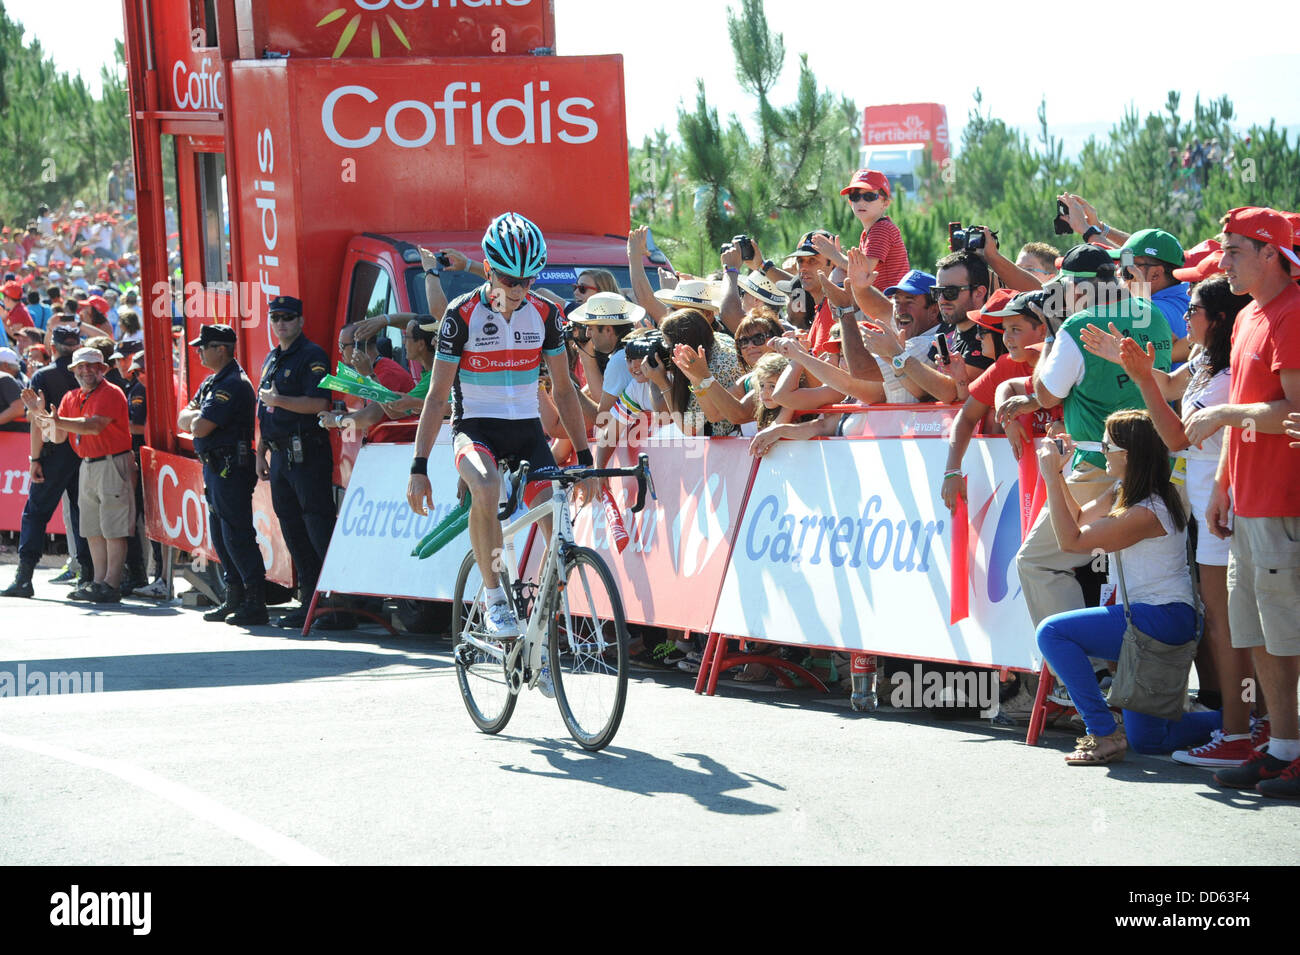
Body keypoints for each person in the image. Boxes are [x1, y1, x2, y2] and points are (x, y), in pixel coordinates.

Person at [1079, 275, 1261, 765]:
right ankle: (1245, 723)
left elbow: (1176, 436)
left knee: (1229, 627)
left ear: (1219, 318)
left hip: (1226, 510)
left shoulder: (1229, 375)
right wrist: (1128, 363)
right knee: (1224, 626)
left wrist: (1141, 378)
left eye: (1193, 309)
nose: (1184, 316)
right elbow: (1170, 387)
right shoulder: (1202, 361)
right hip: (1206, 509)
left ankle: (1244, 728)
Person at [406, 212, 594, 648]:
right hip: (475, 429)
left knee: (560, 532)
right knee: (487, 487)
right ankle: (494, 597)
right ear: (488, 269)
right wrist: (419, 466)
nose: (518, 290)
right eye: (510, 279)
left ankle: (543, 636)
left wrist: (584, 457)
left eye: (527, 280)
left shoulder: (545, 313)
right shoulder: (461, 314)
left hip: (527, 431)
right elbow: (436, 397)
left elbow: (565, 392)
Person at [1179, 207, 1300, 796]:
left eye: (1232, 251)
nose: (1221, 261)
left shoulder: (1293, 312)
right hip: (1247, 502)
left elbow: (1294, 414)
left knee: (1286, 631)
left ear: (1269, 253)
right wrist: (1225, 484)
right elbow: (1251, 415)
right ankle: (1281, 748)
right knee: (1261, 634)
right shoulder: (1251, 313)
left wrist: (1223, 414)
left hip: (1284, 503)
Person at [1035, 410, 1217, 764]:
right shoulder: (1126, 491)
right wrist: (1057, 474)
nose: (1102, 450)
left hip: (1161, 618)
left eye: (1107, 445)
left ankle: (1101, 732)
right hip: (1153, 617)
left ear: (1128, 455)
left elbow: (1071, 541)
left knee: (1053, 632)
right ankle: (1249, 725)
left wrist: (1048, 479)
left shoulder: (1147, 511)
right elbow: (1078, 519)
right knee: (1149, 741)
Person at [1015, 243, 1173, 629]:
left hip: (1101, 465)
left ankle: (1081, 670)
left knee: (1037, 562)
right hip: (1159, 460)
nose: (1063, 297)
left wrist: (1052, 335)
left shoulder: (1075, 326)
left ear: (1082, 288)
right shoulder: (1151, 312)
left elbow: (1045, 395)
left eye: (1066, 287)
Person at [28, 347, 134, 603]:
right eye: (80, 367)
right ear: (73, 371)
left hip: (112, 463)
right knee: (93, 529)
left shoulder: (111, 392)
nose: (85, 371)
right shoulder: (72, 397)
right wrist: (39, 415)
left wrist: (54, 420)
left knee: (113, 527)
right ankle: (99, 582)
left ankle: (111, 583)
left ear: (103, 369)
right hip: (87, 463)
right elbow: (58, 436)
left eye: (91, 366)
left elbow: (94, 426)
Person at [256, 295, 336, 631]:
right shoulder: (272, 357)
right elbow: (265, 410)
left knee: (317, 526)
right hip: (279, 455)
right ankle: (309, 602)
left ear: (301, 321)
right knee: (292, 529)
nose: (281, 324)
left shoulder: (311, 355)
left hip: (307, 454)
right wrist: (260, 452)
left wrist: (279, 400)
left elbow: (319, 402)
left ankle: (333, 605)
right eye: (275, 318)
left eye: (288, 318)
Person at [181, 325, 266, 625]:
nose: (198, 352)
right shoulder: (212, 381)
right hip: (215, 465)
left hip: (231, 465)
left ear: (221, 349)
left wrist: (195, 419)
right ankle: (234, 597)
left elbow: (200, 427)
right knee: (220, 534)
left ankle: (255, 601)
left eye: (203, 347)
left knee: (236, 534)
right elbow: (185, 417)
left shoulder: (232, 383)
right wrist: (195, 418)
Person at [2, 326, 93, 597]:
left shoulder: (44, 375)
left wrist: (35, 458)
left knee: (36, 513)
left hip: (55, 451)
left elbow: (37, 420)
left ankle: (24, 576)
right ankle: (86, 575)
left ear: (52, 347)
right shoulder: (86, 375)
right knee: (82, 515)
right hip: (83, 450)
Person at [1111, 229, 1192, 363]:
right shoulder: (1195, 298)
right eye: (1120, 266)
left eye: (1127, 268)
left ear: (1156, 274)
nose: (1119, 273)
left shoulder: (1145, 312)